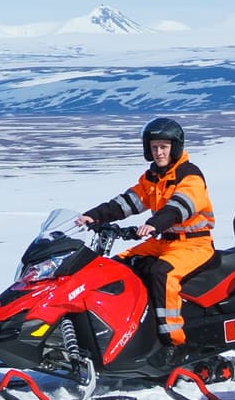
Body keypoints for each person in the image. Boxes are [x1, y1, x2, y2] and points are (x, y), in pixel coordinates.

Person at [82, 117, 216, 350]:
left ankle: (172, 343)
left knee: (162, 274)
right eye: (154, 147)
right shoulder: (152, 177)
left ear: (175, 147)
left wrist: (154, 224)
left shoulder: (190, 176)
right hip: (163, 241)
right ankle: (126, 332)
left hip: (194, 245)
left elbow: (178, 208)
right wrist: (93, 216)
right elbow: (126, 203)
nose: (159, 152)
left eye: (163, 147)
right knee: (116, 267)